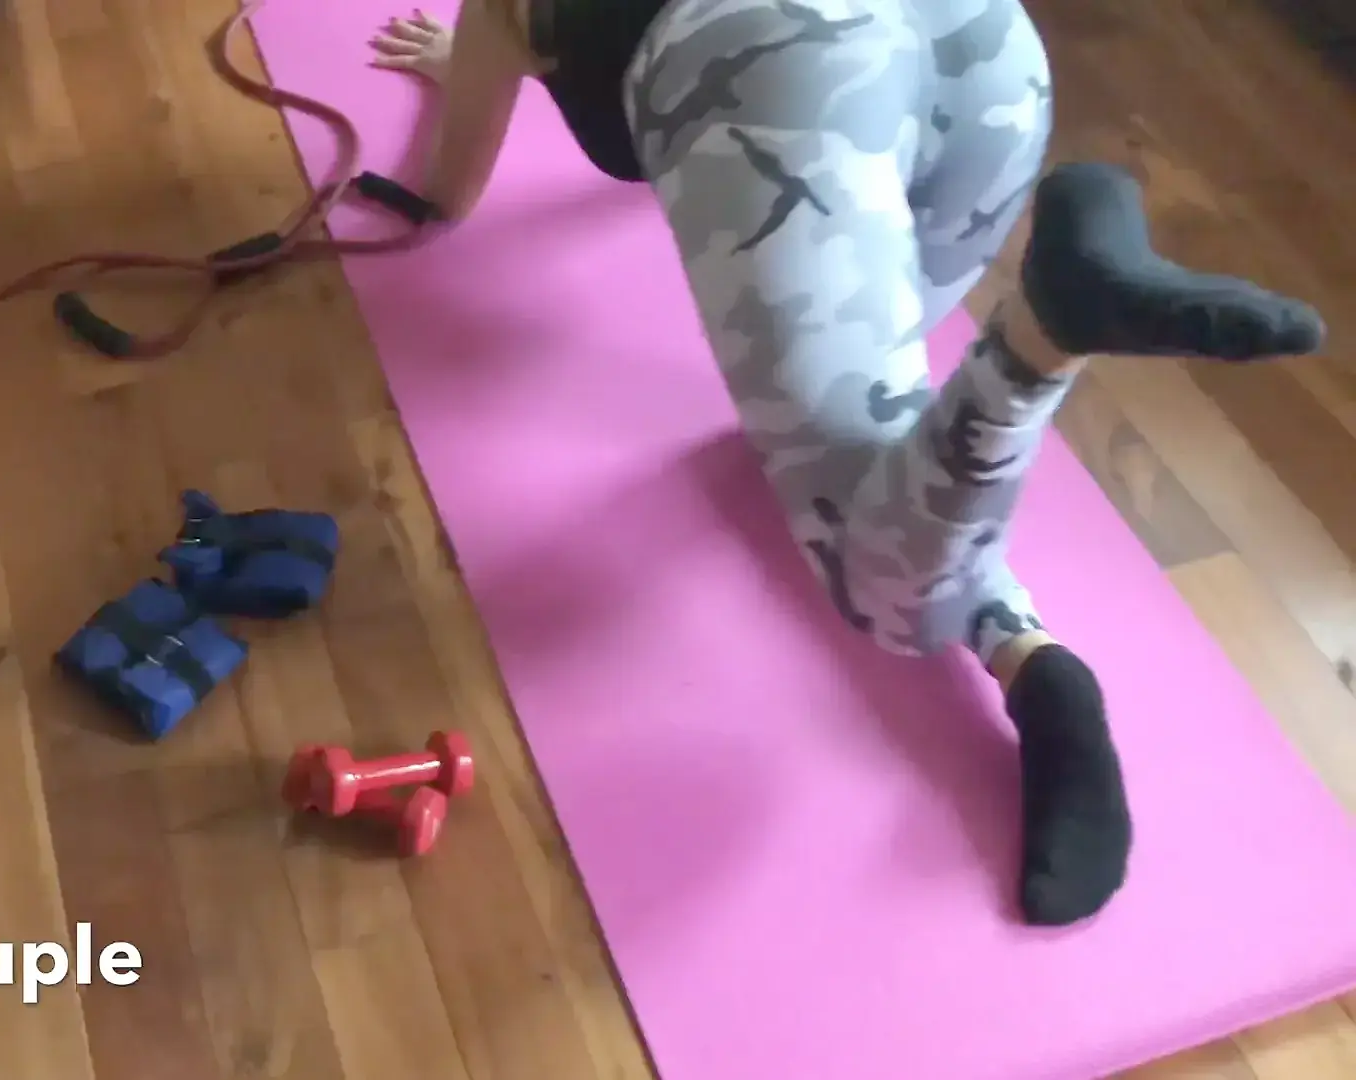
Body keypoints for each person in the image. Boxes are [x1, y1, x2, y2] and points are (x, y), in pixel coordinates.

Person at [369, 0, 1326, 926]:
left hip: (782, 70)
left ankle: (1047, 338)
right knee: (892, 436)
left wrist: (461, 123)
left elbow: (459, 176)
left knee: (889, 589)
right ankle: (1039, 672)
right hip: (983, 52)